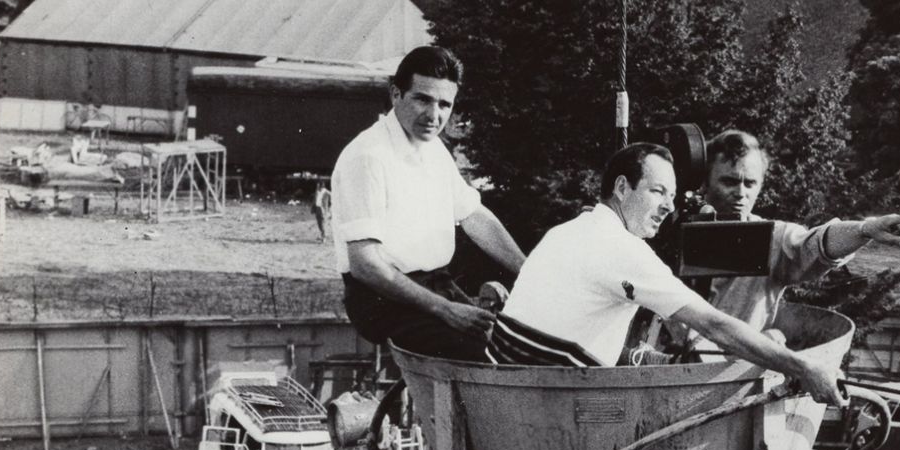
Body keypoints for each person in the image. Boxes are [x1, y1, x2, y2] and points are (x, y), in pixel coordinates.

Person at [488, 145, 843, 408]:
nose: (669, 207)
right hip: (550, 406)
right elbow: (715, 325)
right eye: (657, 191)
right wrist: (804, 367)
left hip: (499, 389)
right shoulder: (624, 250)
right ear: (623, 188)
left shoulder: (565, 231)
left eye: (672, 196)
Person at [332, 45, 528, 360]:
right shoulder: (368, 156)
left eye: (444, 104)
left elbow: (474, 216)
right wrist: (446, 310)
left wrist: (527, 269)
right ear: (396, 94)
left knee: (516, 340)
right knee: (488, 354)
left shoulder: (433, 148)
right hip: (383, 300)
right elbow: (365, 265)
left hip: (437, 285)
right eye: (422, 99)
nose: (433, 115)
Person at [695, 127, 900, 332]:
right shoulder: (667, 229)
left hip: (734, 367)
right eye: (729, 182)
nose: (741, 193)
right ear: (705, 181)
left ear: (761, 185)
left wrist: (863, 230)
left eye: (750, 183)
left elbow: (814, 243)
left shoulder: (770, 238)